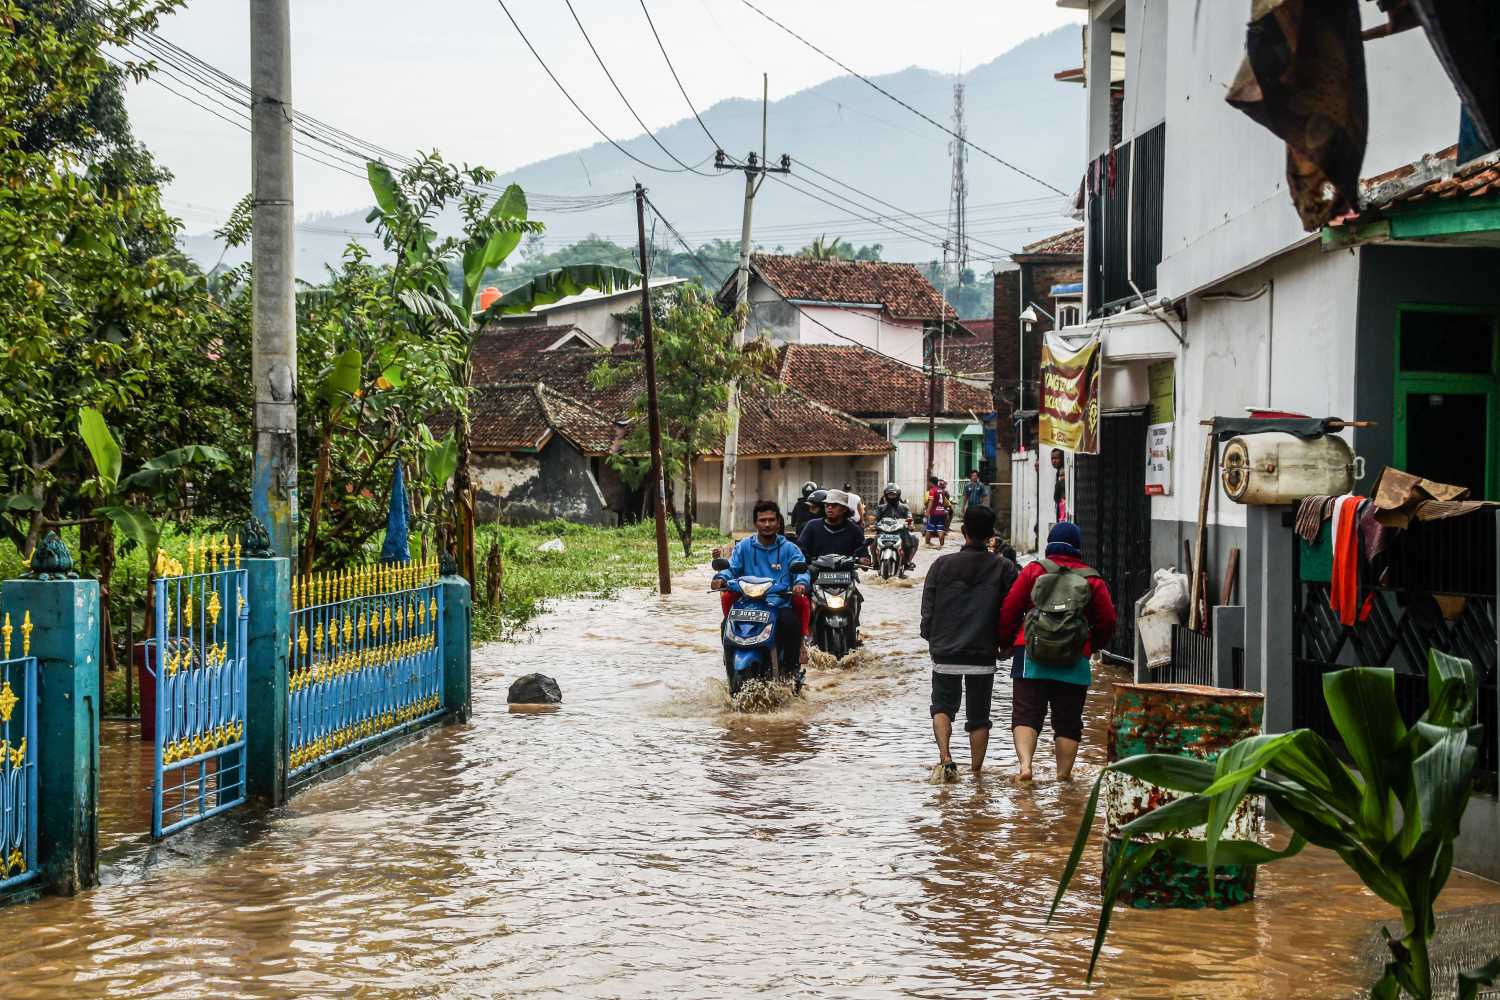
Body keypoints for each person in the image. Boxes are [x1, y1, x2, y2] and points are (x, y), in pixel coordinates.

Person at [998, 521, 1116, 782]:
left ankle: (1026, 767)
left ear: (1049, 544)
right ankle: (1063, 776)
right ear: (1077, 547)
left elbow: (1010, 609)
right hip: (1074, 657)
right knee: (1068, 721)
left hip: (1030, 653)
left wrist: (1006, 641)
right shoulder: (1092, 578)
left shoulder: (1033, 571)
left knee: (1026, 714)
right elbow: (1108, 619)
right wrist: (1091, 645)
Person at [920, 505, 1017, 782]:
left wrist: (932, 637)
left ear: (963, 531)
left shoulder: (941, 565)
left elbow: (928, 608)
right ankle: (976, 774)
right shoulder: (1004, 567)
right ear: (990, 535)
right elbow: (1013, 609)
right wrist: (1006, 644)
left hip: (945, 650)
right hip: (982, 653)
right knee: (979, 716)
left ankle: (946, 758)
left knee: (941, 706)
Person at [712, 500, 812, 675]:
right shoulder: (743, 546)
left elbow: (801, 569)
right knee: (726, 625)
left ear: (778, 522)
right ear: (755, 523)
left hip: (779, 604)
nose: (767, 524)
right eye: (762, 520)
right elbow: (731, 567)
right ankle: (729, 665)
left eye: (771, 520)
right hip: (747, 605)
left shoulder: (790, 548)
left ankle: (790, 672)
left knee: (790, 623)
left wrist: (800, 583)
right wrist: (720, 578)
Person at [796, 488, 870, 642]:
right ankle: (806, 634)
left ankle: (853, 629)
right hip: (817, 577)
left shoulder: (853, 530)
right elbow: (800, 549)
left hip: (845, 578)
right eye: (827, 505)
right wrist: (804, 561)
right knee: (803, 600)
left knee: (856, 597)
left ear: (844, 509)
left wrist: (864, 560)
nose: (829, 508)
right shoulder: (812, 526)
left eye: (834, 505)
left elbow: (863, 551)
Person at [869, 483, 918, 569]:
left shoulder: (904, 508)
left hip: (900, 533)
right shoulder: (881, 508)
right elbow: (876, 519)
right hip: (883, 532)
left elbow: (910, 519)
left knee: (915, 539)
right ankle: (875, 561)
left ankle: (908, 561)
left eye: (893, 494)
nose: (891, 496)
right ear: (886, 495)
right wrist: (873, 525)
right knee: (873, 543)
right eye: (889, 494)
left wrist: (911, 525)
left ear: (898, 494)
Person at [923, 479, 951, 548]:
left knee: (929, 529)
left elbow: (931, 502)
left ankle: (927, 543)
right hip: (942, 512)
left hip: (934, 513)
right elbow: (944, 502)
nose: (928, 484)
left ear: (931, 482)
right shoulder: (942, 491)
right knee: (940, 530)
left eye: (928, 482)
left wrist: (927, 512)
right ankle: (941, 545)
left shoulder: (932, 491)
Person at [1051, 448, 1068, 523]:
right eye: (1052, 458)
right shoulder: (1058, 472)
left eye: (1056, 458)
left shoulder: (1062, 472)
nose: (1054, 461)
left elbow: (1059, 495)